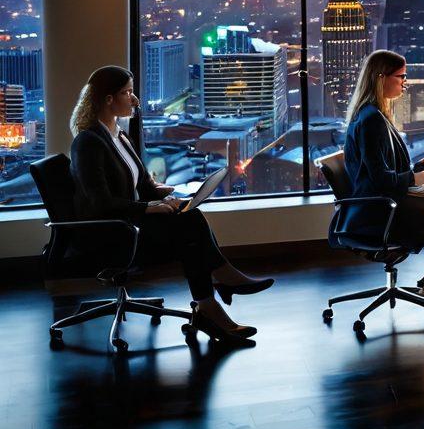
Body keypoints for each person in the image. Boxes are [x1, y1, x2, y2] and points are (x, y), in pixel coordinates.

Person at [69, 66, 272, 342]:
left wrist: (164, 196)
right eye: (127, 93)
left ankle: (214, 299)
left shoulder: (119, 136)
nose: (134, 99)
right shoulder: (89, 143)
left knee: (190, 215)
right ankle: (217, 288)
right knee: (190, 231)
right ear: (107, 99)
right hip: (112, 234)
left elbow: (140, 184)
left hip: (130, 224)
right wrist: (149, 208)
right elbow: (100, 203)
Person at [339, 50, 424, 254]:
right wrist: (415, 178)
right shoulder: (372, 121)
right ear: (381, 78)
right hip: (382, 212)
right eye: (401, 76)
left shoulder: (372, 115)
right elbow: (381, 182)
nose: (405, 82)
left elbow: (386, 171)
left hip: (382, 205)